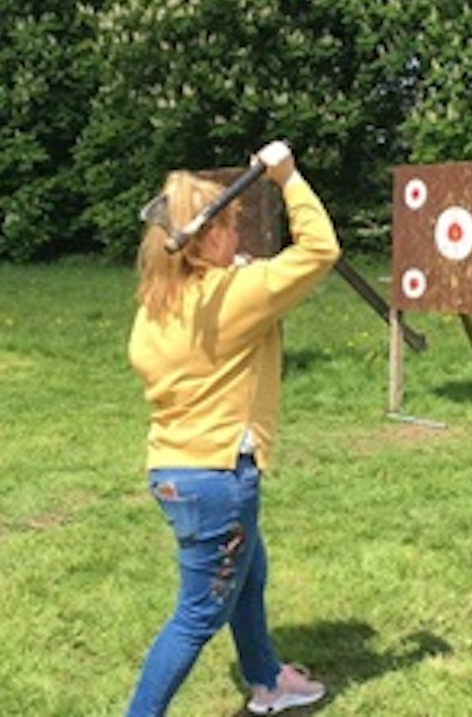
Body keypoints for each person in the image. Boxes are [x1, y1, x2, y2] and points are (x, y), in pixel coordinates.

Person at [125, 140, 340, 716]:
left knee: (250, 569)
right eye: (231, 226)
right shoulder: (235, 294)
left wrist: (231, 278)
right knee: (196, 616)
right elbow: (321, 249)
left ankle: (267, 680)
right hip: (218, 477)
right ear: (204, 238)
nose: (240, 235)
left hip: (174, 471)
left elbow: (211, 313)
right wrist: (288, 178)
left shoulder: (158, 302)